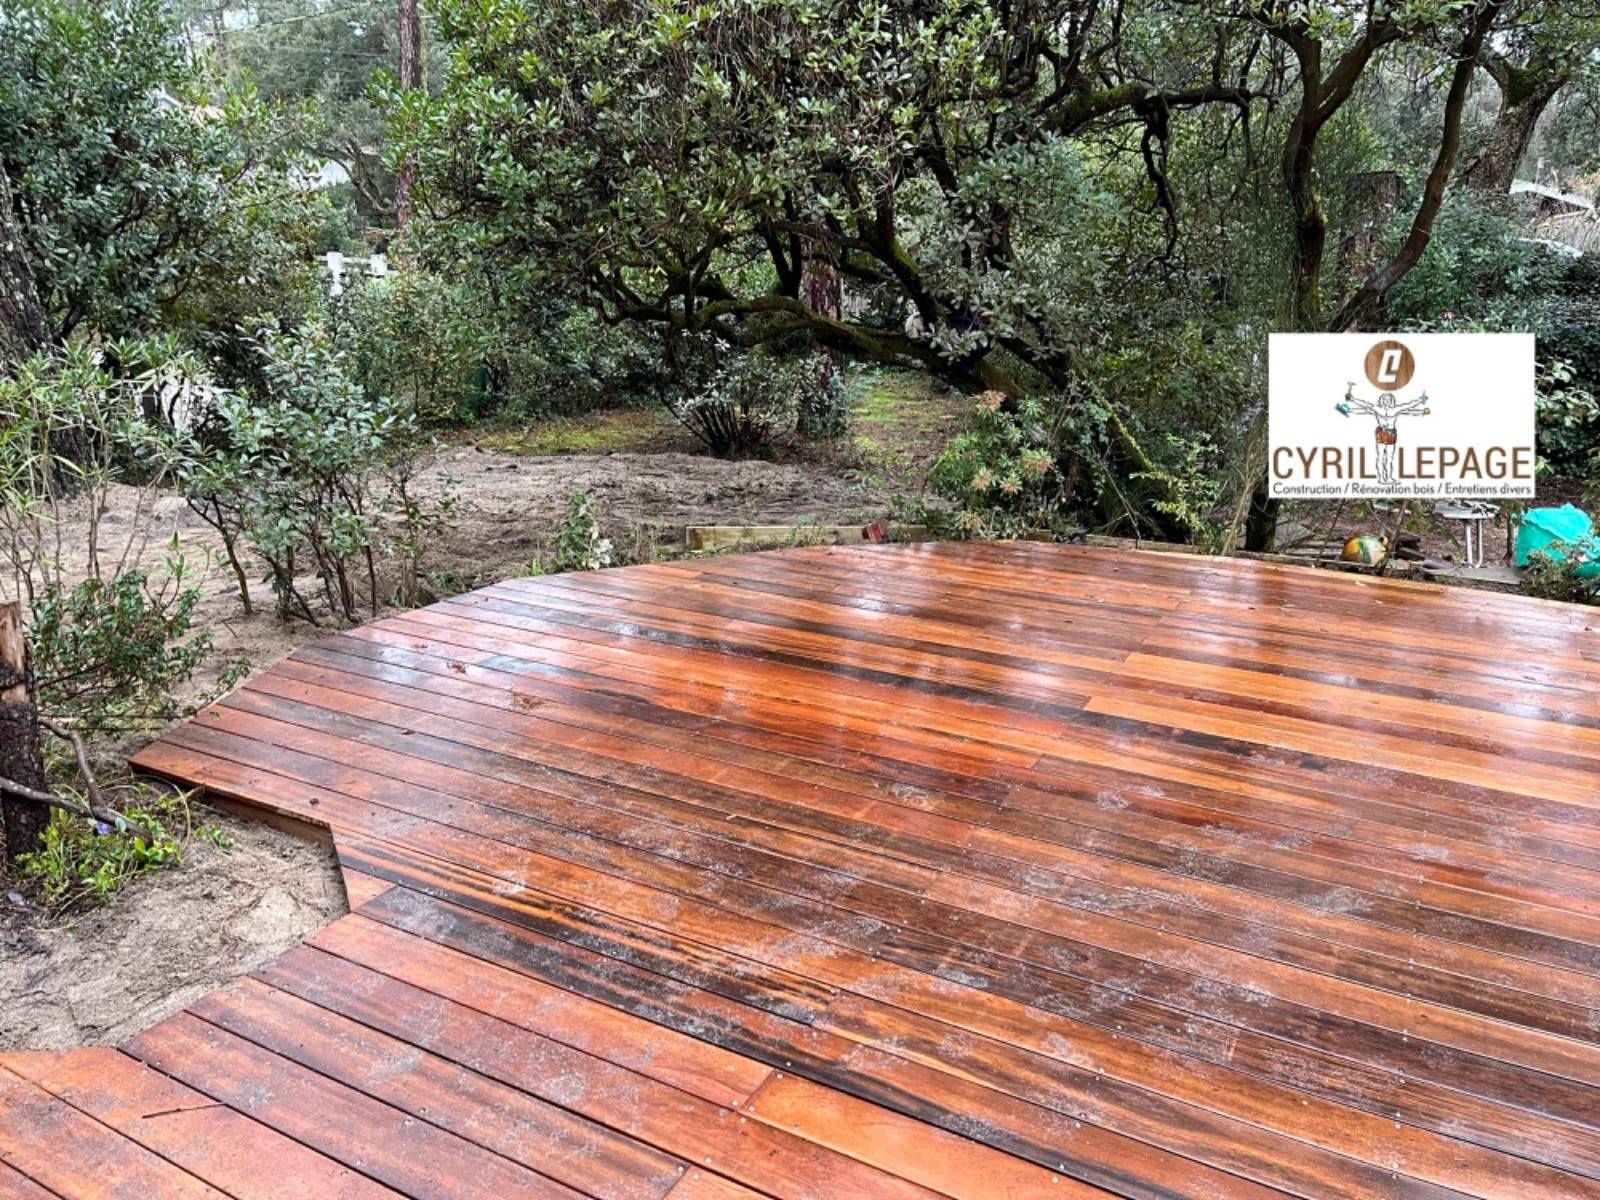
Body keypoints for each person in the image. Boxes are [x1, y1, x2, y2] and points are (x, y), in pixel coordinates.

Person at [1337, 384, 1430, 484]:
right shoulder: (1378, 409)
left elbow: (1408, 406)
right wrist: (1353, 400)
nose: (1387, 401)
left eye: (1389, 399)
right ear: (1381, 400)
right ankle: (1381, 478)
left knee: (1389, 458)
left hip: (1391, 435)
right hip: (1381, 434)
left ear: (1392, 401)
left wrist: (1420, 402)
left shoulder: (1395, 410)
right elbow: (1365, 405)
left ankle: (1389, 477)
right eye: (1385, 399)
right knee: (1381, 456)